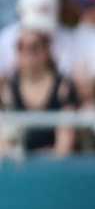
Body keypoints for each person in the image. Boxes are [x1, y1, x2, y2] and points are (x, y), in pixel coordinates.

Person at [0, 25, 79, 156]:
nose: (27, 54)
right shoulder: (8, 89)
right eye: (21, 47)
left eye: (33, 47)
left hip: (55, 169)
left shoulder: (63, 87)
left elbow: (64, 145)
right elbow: (4, 143)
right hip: (19, 168)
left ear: (46, 50)